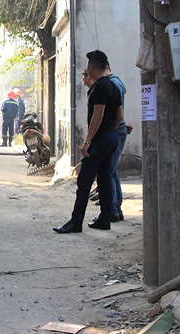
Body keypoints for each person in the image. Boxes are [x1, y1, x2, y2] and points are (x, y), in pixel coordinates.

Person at [54, 50, 123, 234]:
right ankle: (104, 219)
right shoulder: (114, 86)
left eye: (87, 68)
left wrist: (88, 142)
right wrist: (110, 131)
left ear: (91, 68)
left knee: (84, 181)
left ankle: (76, 222)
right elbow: (120, 116)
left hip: (100, 140)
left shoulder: (100, 86)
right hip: (111, 137)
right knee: (105, 178)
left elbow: (98, 115)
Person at [105, 63, 132, 222]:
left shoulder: (112, 84)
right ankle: (116, 208)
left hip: (115, 131)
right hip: (118, 130)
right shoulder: (117, 82)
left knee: (109, 171)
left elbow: (118, 114)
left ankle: (114, 210)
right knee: (112, 171)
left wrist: (112, 130)